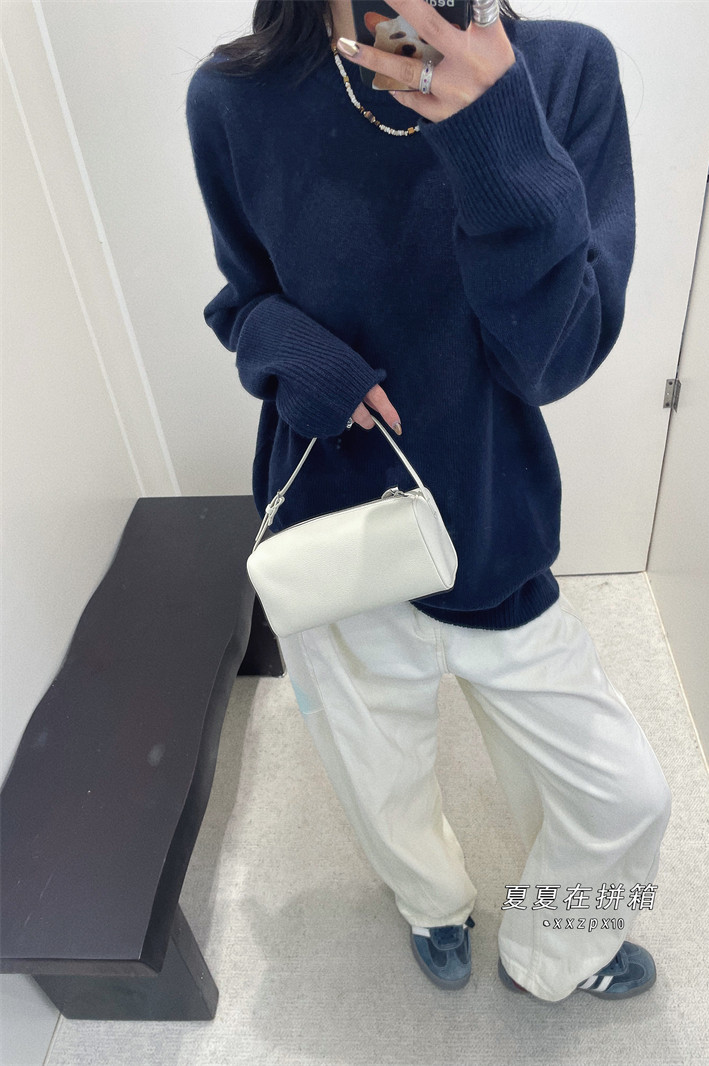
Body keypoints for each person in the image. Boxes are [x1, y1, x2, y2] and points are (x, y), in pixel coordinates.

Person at [186, 0, 672, 1003]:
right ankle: (431, 904)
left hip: (492, 526)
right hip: (337, 529)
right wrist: (299, 356)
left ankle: (558, 947)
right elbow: (244, 302)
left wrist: (496, 134)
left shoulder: (561, 71)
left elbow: (551, 360)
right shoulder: (234, 97)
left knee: (623, 796)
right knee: (379, 775)